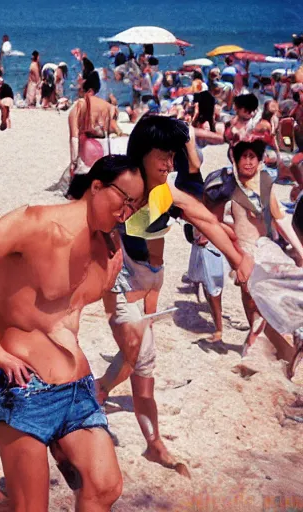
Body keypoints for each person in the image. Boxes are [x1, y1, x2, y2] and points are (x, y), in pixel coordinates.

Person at [0, 155, 144, 512]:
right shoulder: (35, 222)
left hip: (79, 391)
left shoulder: (107, 247)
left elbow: (66, 314)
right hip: (27, 390)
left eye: (135, 205)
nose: (127, 211)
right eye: (125, 199)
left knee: (105, 487)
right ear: (97, 186)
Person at [95, 115, 254, 474]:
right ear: (142, 154)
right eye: (163, 157)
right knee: (139, 353)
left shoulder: (166, 192)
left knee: (140, 359)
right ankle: (98, 395)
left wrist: (237, 259)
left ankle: (147, 439)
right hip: (119, 280)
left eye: (172, 157)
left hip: (150, 279)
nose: (170, 165)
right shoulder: (122, 184)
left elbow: (207, 220)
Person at [225, 140, 300, 376]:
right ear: (236, 161)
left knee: (266, 299)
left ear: (259, 161)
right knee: (250, 301)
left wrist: (300, 250)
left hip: (264, 249)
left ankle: (259, 348)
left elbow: (280, 219)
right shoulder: (227, 187)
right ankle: (259, 345)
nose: (247, 161)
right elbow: (217, 218)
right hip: (241, 251)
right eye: (243, 157)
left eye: (252, 157)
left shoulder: (266, 184)